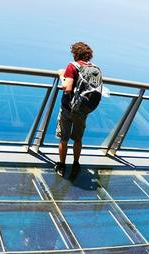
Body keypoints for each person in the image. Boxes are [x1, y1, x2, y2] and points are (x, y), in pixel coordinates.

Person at [51, 42, 102, 178]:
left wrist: (61, 75)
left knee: (64, 138)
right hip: (83, 110)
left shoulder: (72, 66)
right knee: (78, 139)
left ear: (75, 54)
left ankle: (61, 165)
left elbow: (67, 88)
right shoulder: (95, 69)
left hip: (68, 108)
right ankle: (76, 164)